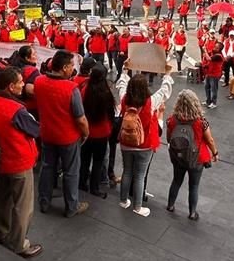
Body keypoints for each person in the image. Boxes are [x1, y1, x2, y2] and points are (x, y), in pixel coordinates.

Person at [0, 67, 43, 258]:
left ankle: (2, 233)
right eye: (20, 82)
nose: (23, 84)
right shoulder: (17, 109)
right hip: (19, 159)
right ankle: (19, 243)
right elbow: (35, 130)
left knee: (3, 198)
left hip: (2, 158)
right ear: (11, 86)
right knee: (23, 205)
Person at [34, 50, 90, 217]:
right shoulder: (71, 88)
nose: (74, 68)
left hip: (47, 133)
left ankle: (44, 201)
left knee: (47, 167)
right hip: (67, 137)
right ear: (65, 67)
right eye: (72, 65)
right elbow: (80, 119)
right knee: (71, 171)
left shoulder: (39, 81)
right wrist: (85, 133)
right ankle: (71, 206)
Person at [116, 65, 174, 217]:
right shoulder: (151, 102)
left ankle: (123, 200)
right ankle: (138, 206)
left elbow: (121, 85)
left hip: (125, 142)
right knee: (140, 175)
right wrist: (167, 74)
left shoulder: (124, 99)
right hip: (144, 144)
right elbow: (165, 91)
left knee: (127, 171)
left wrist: (124, 70)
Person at [165, 89, 218, 220]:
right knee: (194, 186)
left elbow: (168, 138)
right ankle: (192, 213)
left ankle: (170, 205)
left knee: (176, 181)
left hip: (178, 157)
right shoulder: (201, 122)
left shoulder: (171, 120)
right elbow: (210, 140)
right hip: (196, 159)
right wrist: (215, 153)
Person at [78, 64, 114, 199]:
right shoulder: (106, 92)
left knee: (85, 159)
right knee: (98, 161)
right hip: (102, 132)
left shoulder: (85, 90)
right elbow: (111, 113)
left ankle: (82, 182)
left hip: (87, 130)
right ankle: (95, 187)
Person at [202, 41, 224, 108]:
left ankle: (214, 103)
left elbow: (209, 59)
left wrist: (205, 51)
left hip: (215, 74)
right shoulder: (213, 53)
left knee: (213, 89)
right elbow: (208, 59)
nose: (214, 48)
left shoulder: (218, 56)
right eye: (215, 46)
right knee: (207, 87)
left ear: (219, 49)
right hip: (209, 73)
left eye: (217, 48)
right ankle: (208, 101)